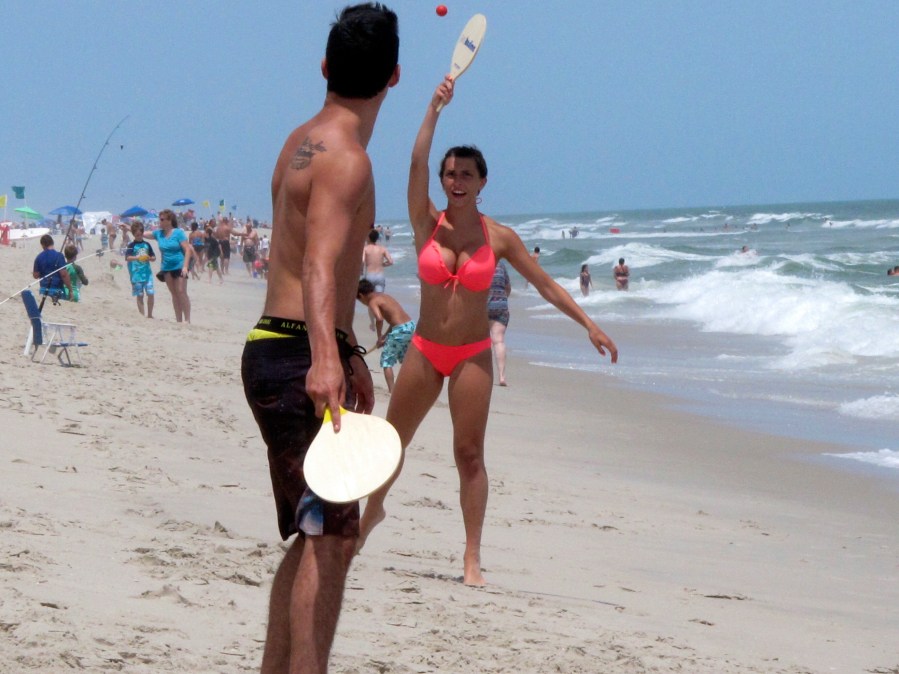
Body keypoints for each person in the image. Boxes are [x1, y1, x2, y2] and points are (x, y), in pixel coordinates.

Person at [357, 76, 618, 586]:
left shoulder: (499, 237)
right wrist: (433, 108)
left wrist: (589, 323)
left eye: (467, 174)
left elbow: (544, 285)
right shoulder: (424, 222)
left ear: (482, 182)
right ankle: (371, 513)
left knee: (469, 454)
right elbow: (413, 165)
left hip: (473, 354)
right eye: (450, 173)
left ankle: (471, 557)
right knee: (392, 442)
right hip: (425, 349)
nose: (456, 180)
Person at [240, 5, 398, 673]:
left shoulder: (299, 140)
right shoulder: (349, 160)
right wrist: (328, 359)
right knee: (331, 538)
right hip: (299, 355)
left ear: (325, 67)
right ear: (394, 76)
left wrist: (347, 348)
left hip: (278, 345)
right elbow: (315, 264)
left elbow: (312, 256)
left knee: (315, 534)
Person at [356, 279, 415, 393]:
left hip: (400, 330)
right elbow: (394, 320)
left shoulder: (372, 302)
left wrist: (379, 337)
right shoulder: (384, 296)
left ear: (361, 296)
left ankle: (392, 391)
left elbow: (379, 319)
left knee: (386, 361)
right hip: (409, 326)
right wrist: (385, 337)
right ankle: (411, 388)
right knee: (405, 360)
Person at [147, 209, 193, 322]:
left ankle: (187, 320)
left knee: (181, 291)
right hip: (166, 267)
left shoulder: (178, 233)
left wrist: (186, 267)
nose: (160, 222)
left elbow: (187, 250)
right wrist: (128, 228)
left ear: (169, 220)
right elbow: (141, 233)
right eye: (160, 219)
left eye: (162, 220)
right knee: (174, 294)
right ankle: (179, 320)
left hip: (180, 265)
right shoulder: (159, 233)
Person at [124, 221, 157, 318]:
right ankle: (142, 316)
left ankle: (150, 315)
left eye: (140, 234)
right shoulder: (131, 245)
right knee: (140, 295)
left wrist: (149, 258)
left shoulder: (147, 244)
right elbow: (127, 258)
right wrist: (137, 257)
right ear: (133, 234)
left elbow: (154, 257)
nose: (139, 236)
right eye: (137, 235)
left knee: (150, 293)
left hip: (147, 274)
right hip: (136, 274)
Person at [487, 260, 511, 386]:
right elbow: (508, 287)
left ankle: (484, 374)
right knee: (499, 341)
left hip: (482, 305)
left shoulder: (478, 263)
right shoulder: (501, 265)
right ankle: (501, 376)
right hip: (501, 305)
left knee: (480, 342)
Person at [32, 234, 73, 305]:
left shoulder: (39, 257)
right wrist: (70, 289)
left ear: (43, 245)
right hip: (57, 290)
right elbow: (63, 274)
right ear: (52, 242)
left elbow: (36, 275)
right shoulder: (59, 256)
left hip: (43, 290)